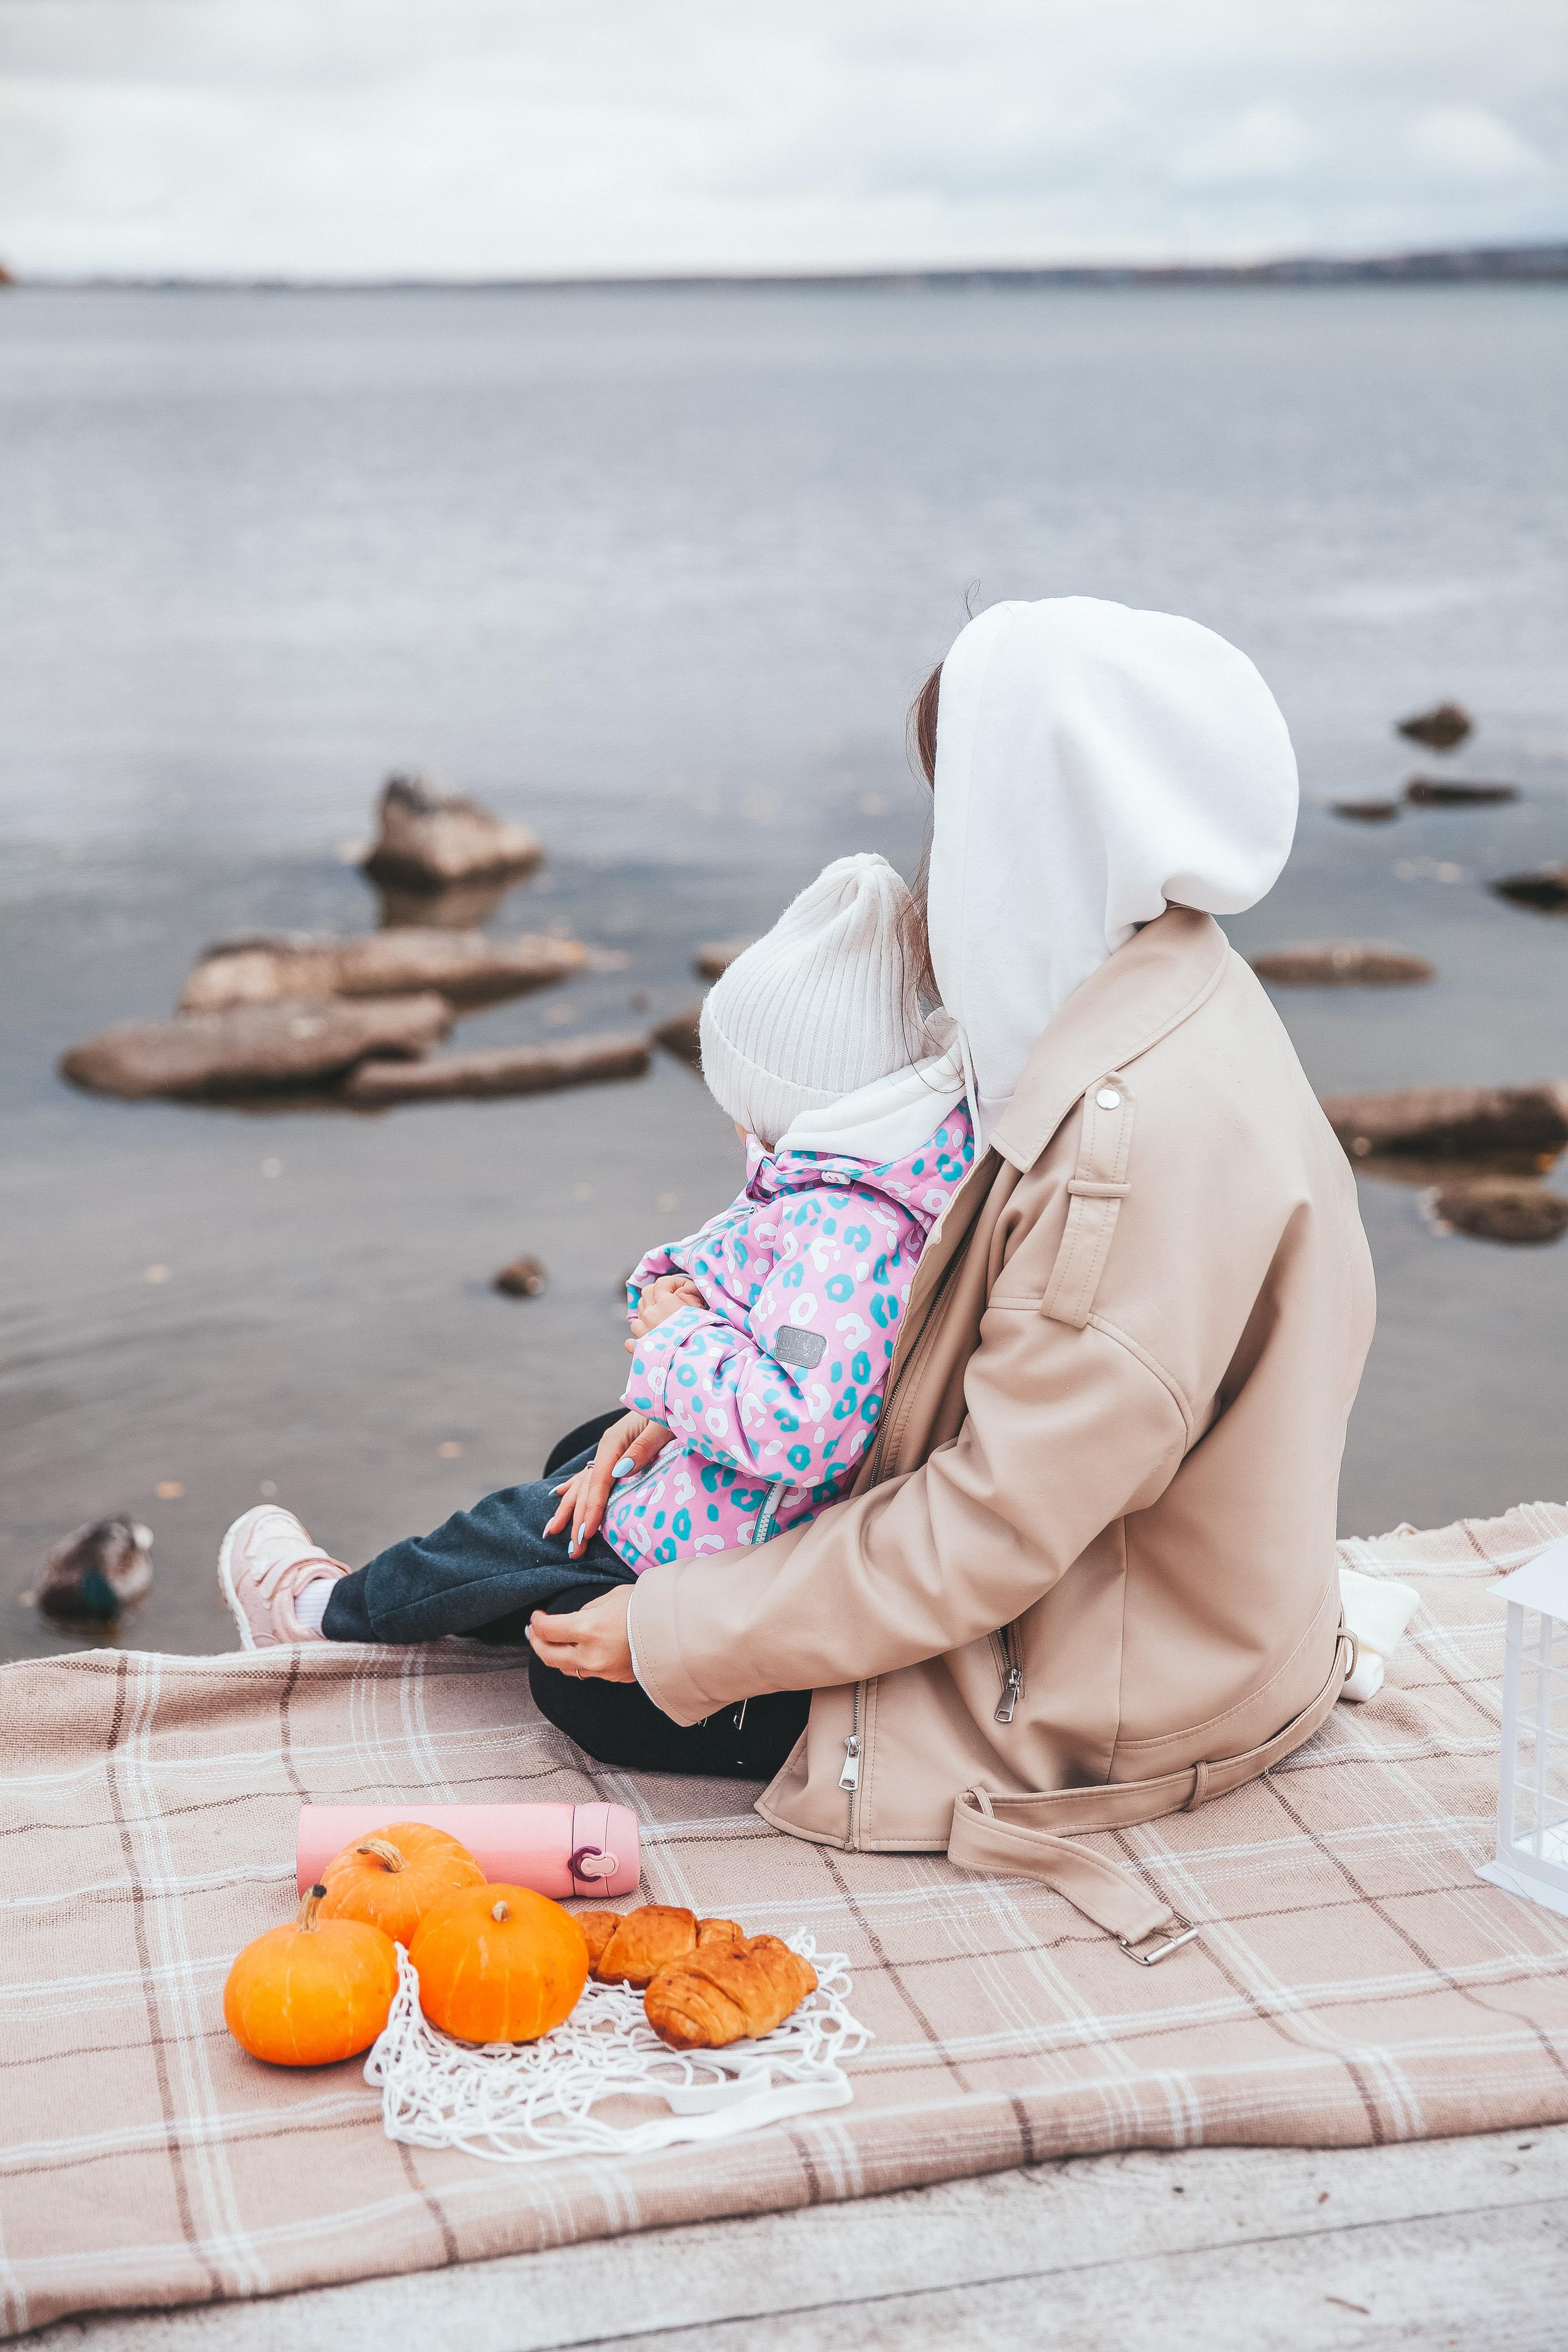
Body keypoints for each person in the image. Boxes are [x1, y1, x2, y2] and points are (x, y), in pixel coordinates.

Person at [521, 595, 1375, 1954]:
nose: (942, 856)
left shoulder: (1123, 1138)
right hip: (1173, 1584)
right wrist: (695, 1393)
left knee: (590, 1666)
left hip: (1115, 1676)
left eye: (961, 808)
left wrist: (678, 1631)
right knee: (604, 1465)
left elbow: (988, 1531)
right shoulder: (1169, 983)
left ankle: (364, 1600)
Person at [215, 853, 974, 1782]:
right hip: (748, 1510)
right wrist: (686, 1328)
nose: (740, 1135)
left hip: (736, 1534)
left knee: (510, 1528)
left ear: (799, 1105)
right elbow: (777, 1306)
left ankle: (318, 1617)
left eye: (747, 1112)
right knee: (578, 1463)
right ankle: (483, 1602)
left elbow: (803, 1426)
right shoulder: (875, 1178)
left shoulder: (845, 1233)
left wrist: (676, 1340)